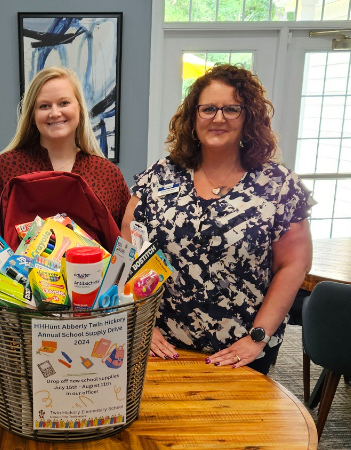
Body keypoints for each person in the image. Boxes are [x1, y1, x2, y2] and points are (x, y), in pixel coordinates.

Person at [121, 64, 315, 375]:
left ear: (248, 116)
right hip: (163, 346)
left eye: (231, 109)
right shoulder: (158, 176)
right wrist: (141, 322)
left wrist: (258, 337)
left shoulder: (279, 185)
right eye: (208, 108)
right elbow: (130, 253)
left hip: (241, 352)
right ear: (193, 117)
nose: (219, 118)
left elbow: (293, 265)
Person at [0, 66, 130, 229]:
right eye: (44, 106)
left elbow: (125, 244)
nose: (55, 113)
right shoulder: (4, 168)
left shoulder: (108, 175)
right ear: (32, 115)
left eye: (64, 103)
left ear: (80, 109)